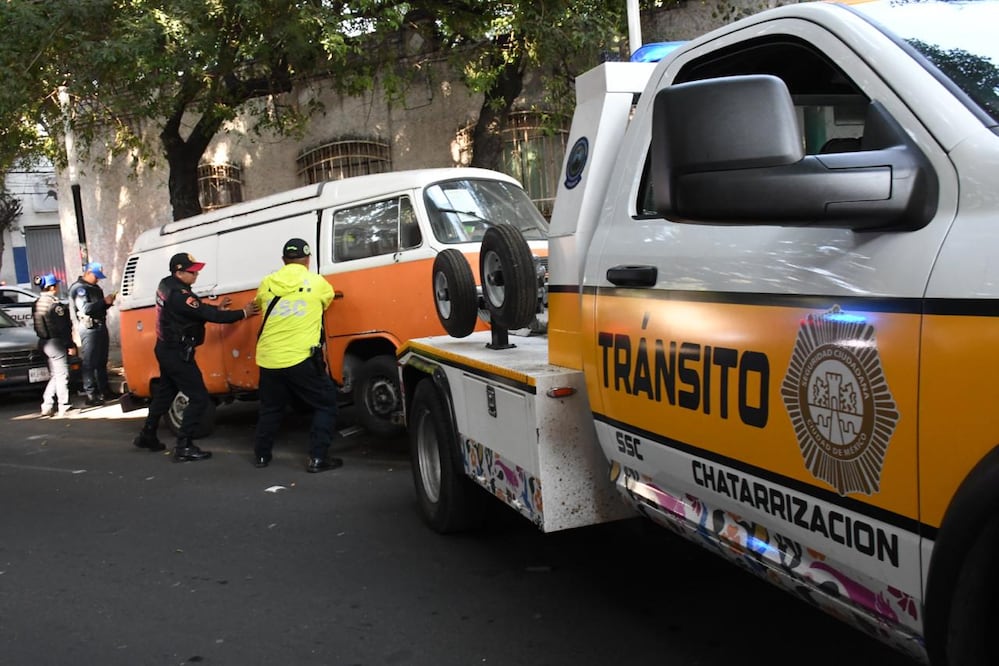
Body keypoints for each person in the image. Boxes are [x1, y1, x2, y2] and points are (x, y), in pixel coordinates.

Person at [132, 252, 260, 461]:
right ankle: (184, 446)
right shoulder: (180, 295)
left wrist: (215, 307)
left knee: (165, 393)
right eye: (192, 272)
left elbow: (194, 311)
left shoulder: (166, 284)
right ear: (179, 272)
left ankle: (147, 434)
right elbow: (206, 314)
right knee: (199, 398)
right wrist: (243, 313)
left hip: (166, 348)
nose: (196, 275)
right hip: (177, 352)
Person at [253, 238, 342, 473]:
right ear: (308, 259)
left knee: (271, 408)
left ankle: (262, 455)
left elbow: (259, 302)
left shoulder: (267, 283)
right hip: (301, 358)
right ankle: (317, 458)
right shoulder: (317, 282)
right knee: (326, 403)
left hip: (268, 358)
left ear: (284, 260)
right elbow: (327, 301)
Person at [69, 261, 116, 406]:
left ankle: (104, 390)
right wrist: (104, 302)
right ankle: (90, 394)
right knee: (90, 362)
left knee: (102, 361)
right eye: (96, 276)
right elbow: (85, 308)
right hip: (89, 328)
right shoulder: (79, 289)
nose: (98, 279)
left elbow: (99, 308)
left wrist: (108, 303)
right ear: (88, 272)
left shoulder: (95, 288)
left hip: (100, 325)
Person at [32, 274, 76, 417]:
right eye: (56, 285)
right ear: (52, 287)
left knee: (56, 375)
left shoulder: (37, 303)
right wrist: (70, 344)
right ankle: (65, 406)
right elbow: (63, 327)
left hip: (43, 342)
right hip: (55, 343)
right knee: (62, 375)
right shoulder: (55, 305)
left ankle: (47, 405)